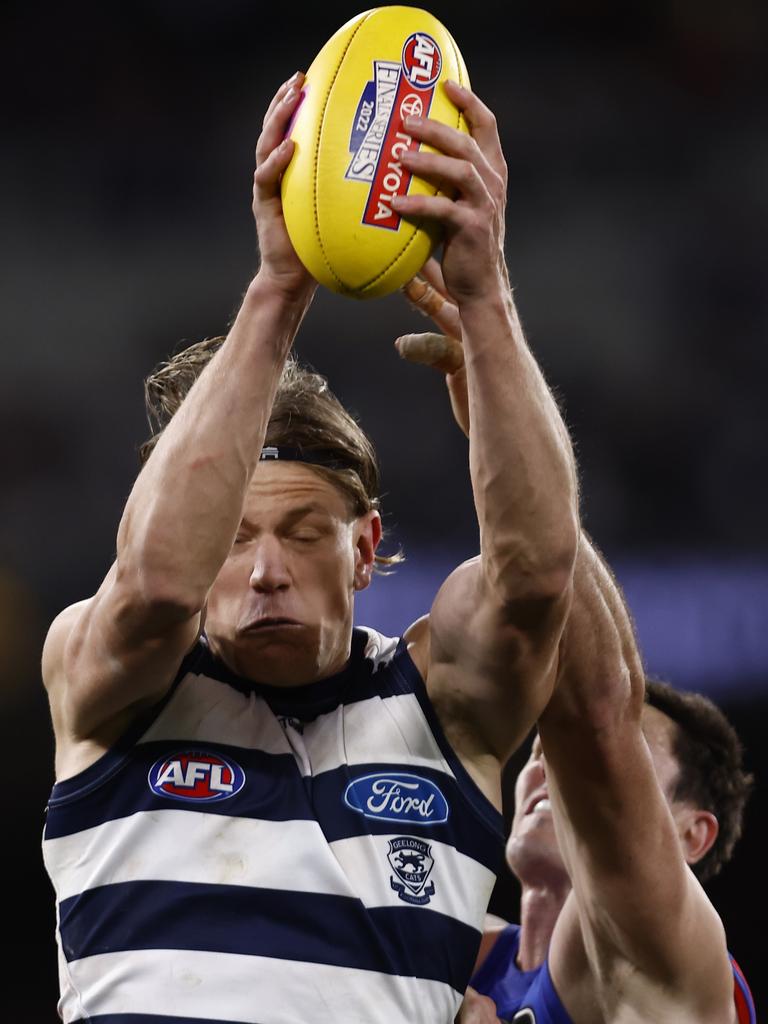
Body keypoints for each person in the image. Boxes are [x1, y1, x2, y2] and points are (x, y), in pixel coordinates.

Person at [39, 71, 581, 1024]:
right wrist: (279, 285)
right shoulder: (110, 679)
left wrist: (486, 292)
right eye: (235, 536)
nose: (265, 570)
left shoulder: (445, 701)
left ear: (366, 548)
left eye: (301, 533)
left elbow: (538, 577)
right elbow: (161, 581)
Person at [397, 273, 756, 1024]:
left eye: (638, 760)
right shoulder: (455, 964)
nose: (542, 765)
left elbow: (595, 712)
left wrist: (500, 397)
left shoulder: (677, 960)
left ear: (691, 833)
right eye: (536, 753)